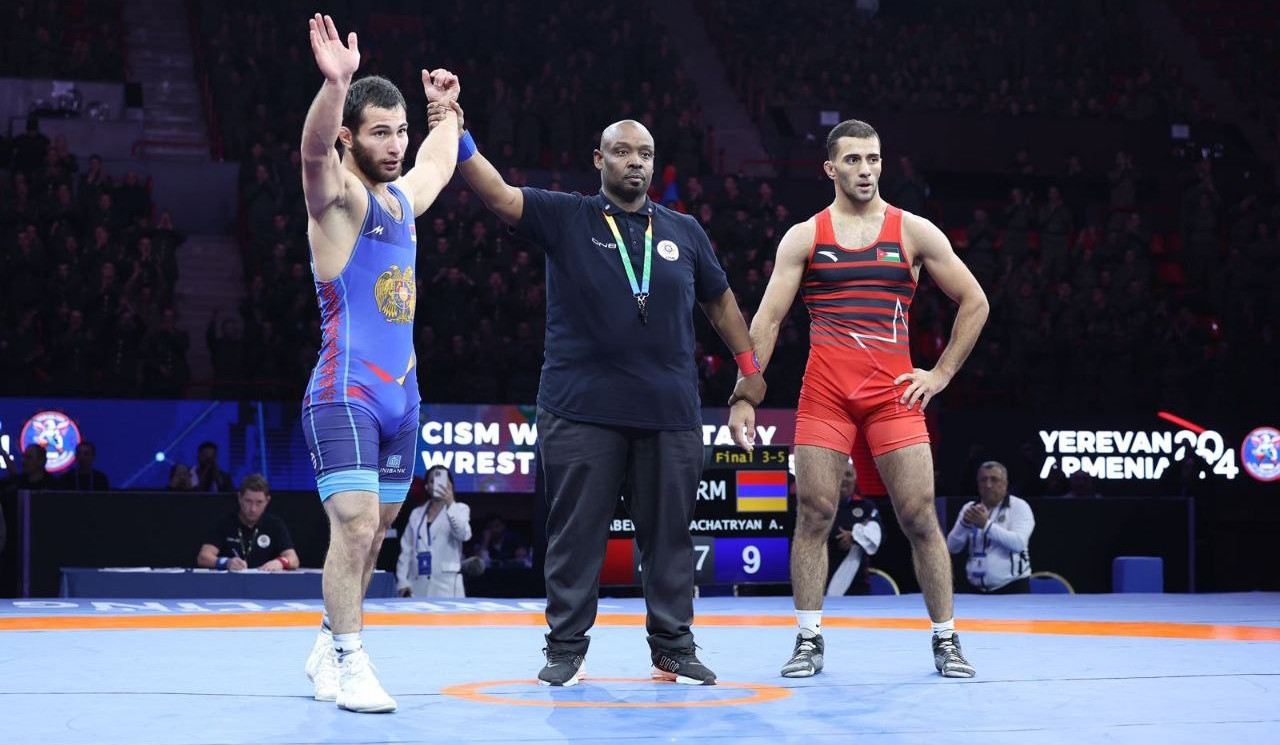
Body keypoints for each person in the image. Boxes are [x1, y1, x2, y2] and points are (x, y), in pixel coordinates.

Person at [428, 99, 763, 687]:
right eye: (622, 151)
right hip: (580, 409)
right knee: (576, 536)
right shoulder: (567, 216)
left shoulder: (683, 231)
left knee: (669, 538)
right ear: (598, 159)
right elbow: (500, 195)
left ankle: (673, 648)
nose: (636, 162)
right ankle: (566, 649)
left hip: (669, 411)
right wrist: (457, 133)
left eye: (645, 154)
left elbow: (720, 301)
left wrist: (748, 370)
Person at [747, 119, 989, 679]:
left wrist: (942, 373)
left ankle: (947, 640)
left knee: (920, 516)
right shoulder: (805, 236)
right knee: (814, 514)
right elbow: (768, 319)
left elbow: (975, 300)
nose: (865, 169)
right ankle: (808, 640)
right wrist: (745, 392)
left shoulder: (913, 232)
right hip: (825, 395)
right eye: (853, 159)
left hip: (891, 395)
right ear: (830, 168)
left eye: (873, 159)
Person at [296, 14, 460, 714]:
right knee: (356, 525)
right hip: (346, 394)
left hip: (403, 398)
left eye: (401, 131)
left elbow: (438, 164)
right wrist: (335, 84)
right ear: (349, 138)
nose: (395, 146)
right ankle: (350, 661)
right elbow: (311, 153)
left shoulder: (402, 201)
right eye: (380, 133)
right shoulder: (336, 201)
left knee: (372, 538)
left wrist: (444, 110)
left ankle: (327, 640)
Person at [946, 461, 1035, 593]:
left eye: (994, 479)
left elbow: (1018, 544)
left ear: (1005, 484)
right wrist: (964, 525)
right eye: (983, 480)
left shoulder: (1019, 507)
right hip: (974, 588)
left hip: (1012, 587)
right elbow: (951, 547)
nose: (988, 485)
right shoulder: (970, 508)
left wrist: (986, 525)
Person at [395, 466, 472, 597]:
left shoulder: (460, 509)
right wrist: (402, 581)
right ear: (426, 487)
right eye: (432, 481)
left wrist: (450, 503)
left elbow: (463, 535)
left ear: (450, 485)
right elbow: (406, 549)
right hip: (417, 585)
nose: (437, 484)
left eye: (442, 481)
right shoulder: (416, 513)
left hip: (448, 586)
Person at [197, 474, 299, 571]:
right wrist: (226, 563)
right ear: (240, 498)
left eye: (259, 502)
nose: (253, 509)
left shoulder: (275, 525)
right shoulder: (224, 523)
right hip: (229, 581)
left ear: (267, 501)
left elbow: (294, 559)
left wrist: (280, 562)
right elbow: (203, 557)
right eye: (248, 501)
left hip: (265, 581)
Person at [825, 462, 883, 596]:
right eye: (839, 474)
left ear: (855, 478)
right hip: (822, 581)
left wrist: (855, 536)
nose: (844, 479)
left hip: (858, 585)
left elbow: (879, 534)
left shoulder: (866, 506)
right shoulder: (820, 506)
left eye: (848, 475)